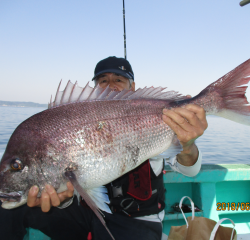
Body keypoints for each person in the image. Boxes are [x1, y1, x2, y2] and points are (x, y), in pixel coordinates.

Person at [0, 57, 207, 240]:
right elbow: (74, 186)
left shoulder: (154, 116)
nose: (111, 86)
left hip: (136, 221)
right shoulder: (76, 118)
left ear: (132, 86)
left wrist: (187, 145)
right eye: (103, 80)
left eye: (118, 79)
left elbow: (191, 171)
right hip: (86, 213)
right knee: (7, 210)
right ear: (95, 87)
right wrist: (62, 200)